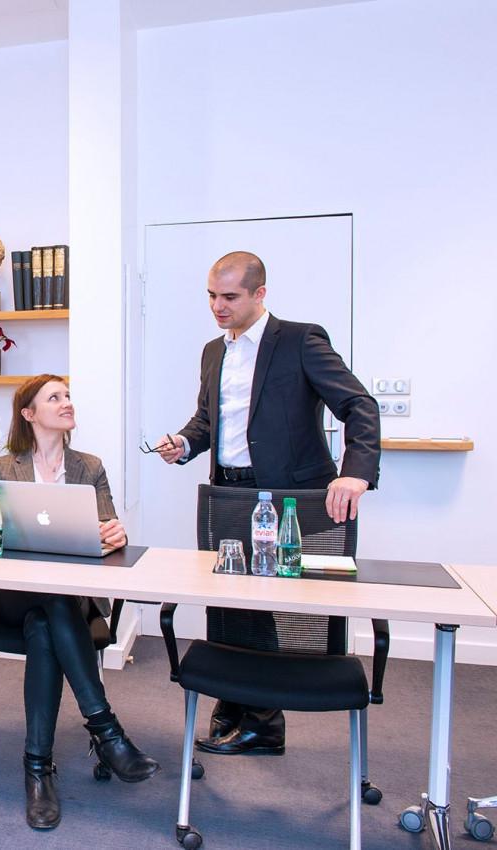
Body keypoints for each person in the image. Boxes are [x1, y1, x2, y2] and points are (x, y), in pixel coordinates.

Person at [154, 250, 381, 756]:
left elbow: (359, 405)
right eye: (211, 296)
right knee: (231, 605)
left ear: (260, 294)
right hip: (228, 494)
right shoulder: (214, 350)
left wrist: (355, 474)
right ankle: (233, 706)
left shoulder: (300, 340)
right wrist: (185, 445)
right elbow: (208, 421)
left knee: (274, 607)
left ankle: (264, 721)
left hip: (291, 497)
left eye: (229, 297)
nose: (218, 306)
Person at [0, 373, 159, 831]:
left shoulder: (88, 466)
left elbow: (109, 528)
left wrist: (116, 533)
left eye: (68, 396)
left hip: (62, 603)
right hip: (7, 596)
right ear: (29, 413)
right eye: (54, 397)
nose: (66, 403)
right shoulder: (3, 468)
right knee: (49, 604)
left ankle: (37, 769)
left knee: (48, 618)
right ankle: (106, 732)